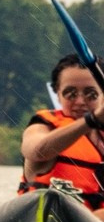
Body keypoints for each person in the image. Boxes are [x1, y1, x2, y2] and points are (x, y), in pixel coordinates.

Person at [21, 54, 104, 205]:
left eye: (90, 94)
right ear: (58, 95)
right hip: (50, 220)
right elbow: (37, 152)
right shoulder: (42, 126)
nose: (80, 101)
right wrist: (92, 120)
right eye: (70, 93)